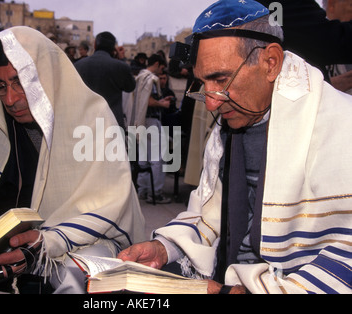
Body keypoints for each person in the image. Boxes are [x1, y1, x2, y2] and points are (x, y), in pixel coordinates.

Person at [118, 0, 352, 294]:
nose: (213, 102)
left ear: (270, 62)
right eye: (204, 84)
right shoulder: (229, 126)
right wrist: (164, 247)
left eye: (221, 79)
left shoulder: (340, 126)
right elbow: (209, 214)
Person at [0, 26, 145, 294]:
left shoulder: (94, 119)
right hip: (11, 251)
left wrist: (46, 243)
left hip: (74, 244)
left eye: (20, 82)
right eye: (0, 85)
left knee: (85, 270)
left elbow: (108, 208)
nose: (10, 99)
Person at [126, 54, 173, 204]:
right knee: (157, 158)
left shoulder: (140, 77)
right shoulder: (151, 79)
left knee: (143, 159)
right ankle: (156, 193)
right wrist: (163, 104)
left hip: (140, 122)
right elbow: (150, 101)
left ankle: (143, 190)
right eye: (162, 68)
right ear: (158, 64)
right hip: (151, 121)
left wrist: (159, 101)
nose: (162, 71)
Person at [75, 32, 136, 130]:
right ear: (113, 49)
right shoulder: (120, 66)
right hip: (112, 124)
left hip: (86, 124)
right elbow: (130, 87)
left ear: (95, 45)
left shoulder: (78, 66)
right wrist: (121, 59)